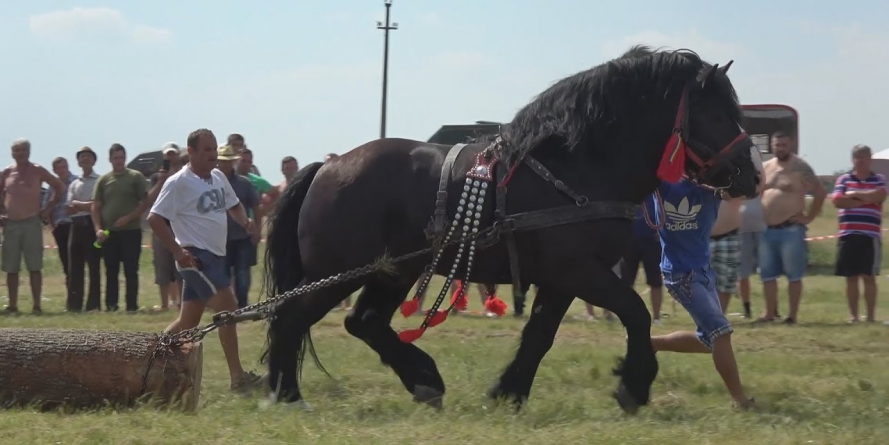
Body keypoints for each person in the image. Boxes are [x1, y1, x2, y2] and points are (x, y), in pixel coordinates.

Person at [148, 128, 265, 392]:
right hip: (196, 258)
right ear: (191, 152)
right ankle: (238, 378)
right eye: (207, 150)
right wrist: (178, 252)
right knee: (228, 308)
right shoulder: (178, 182)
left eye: (214, 149)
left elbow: (233, 205)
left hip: (214, 256)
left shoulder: (218, 177)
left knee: (187, 323)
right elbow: (154, 219)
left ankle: (149, 361)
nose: (213, 155)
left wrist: (245, 221)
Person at [649, 178, 755, 409]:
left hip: (704, 272)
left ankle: (649, 345)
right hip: (680, 275)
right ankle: (740, 401)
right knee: (720, 332)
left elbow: (750, 188)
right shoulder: (662, 183)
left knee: (708, 341)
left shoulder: (711, 185)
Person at [759, 131, 827, 323]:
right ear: (772, 145)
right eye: (777, 145)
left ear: (791, 145)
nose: (780, 148)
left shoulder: (800, 167)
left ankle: (792, 316)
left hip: (791, 229)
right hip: (766, 229)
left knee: (794, 275)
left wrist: (809, 217)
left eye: (784, 145)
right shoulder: (766, 167)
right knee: (767, 274)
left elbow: (820, 192)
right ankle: (769, 313)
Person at [0, 138, 66, 313]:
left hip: (31, 223)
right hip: (11, 225)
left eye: (22, 150)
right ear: (12, 153)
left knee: (34, 267)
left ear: (28, 152)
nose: (20, 153)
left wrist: (47, 209)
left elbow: (59, 186)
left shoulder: (37, 170)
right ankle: (12, 305)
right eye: (16, 150)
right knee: (11, 268)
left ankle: (37, 305)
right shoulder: (6, 172)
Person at [91, 143, 150, 312]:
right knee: (111, 270)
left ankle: (132, 306)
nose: (119, 161)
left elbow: (145, 202)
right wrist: (98, 229)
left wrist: (129, 217)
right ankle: (111, 305)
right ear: (110, 159)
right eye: (115, 158)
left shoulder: (135, 177)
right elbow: (95, 206)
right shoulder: (104, 180)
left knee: (131, 270)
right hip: (110, 233)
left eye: (121, 157)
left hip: (131, 231)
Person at [831, 144, 886, 323]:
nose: (861, 160)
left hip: (870, 236)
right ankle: (854, 316)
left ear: (870, 159)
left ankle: (870, 317)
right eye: (857, 157)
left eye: (864, 157)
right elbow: (838, 201)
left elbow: (879, 196)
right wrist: (865, 200)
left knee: (869, 277)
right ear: (852, 160)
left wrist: (854, 195)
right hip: (848, 234)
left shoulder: (879, 179)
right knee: (851, 277)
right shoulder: (843, 180)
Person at [216, 145, 261, 309]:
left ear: (233, 162)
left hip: (243, 235)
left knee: (242, 272)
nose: (224, 164)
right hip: (220, 238)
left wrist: (257, 230)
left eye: (228, 161)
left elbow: (256, 207)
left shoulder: (244, 183)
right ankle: (226, 306)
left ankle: (242, 305)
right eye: (222, 161)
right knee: (223, 273)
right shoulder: (211, 182)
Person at [146, 143, 185, 310]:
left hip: (181, 227)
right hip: (161, 226)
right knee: (162, 267)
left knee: (182, 267)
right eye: (167, 155)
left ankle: (183, 303)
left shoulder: (185, 176)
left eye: (173, 154)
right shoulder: (156, 177)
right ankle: (164, 304)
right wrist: (162, 181)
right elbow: (149, 199)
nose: (171, 158)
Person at [66, 147, 102, 312]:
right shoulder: (74, 183)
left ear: (94, 160)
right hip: (75, 225)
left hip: (91, 225)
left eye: (88, 156)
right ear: (78, 161)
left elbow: (97, 205)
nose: (85, 159)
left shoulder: (99, 181)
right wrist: (86, 205)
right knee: (75, 266)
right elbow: (69, 207)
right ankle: (74, 305)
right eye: (82, 157)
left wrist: (81, 205)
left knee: (93, 265)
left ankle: (93, 305)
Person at [620, 207, 665, 323]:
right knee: (626, 283)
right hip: (629, 241)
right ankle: (627, 316)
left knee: (655, 282)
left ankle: (656, 318)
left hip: (652, 242)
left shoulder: (656, 192)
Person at [43, 157, 78, 291]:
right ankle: (71, 294)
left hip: (75, 225)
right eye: (59, 168)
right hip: (60, 227)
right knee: (65, 261)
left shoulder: (76, 181)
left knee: (77, 261)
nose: (62, 170)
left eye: (64, 167)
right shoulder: (51, 188)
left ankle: (78, 294)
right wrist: (53, 227)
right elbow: (46, 210)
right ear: (54, 171)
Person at [710, 198, 744, 314]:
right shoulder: (697, 180)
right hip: (700, 237)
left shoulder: (735, 180)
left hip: (730, 234)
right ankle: (706, 316)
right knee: (697, 280)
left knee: (727, 281)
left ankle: (719, 317)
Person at [737, 196, 766, 319]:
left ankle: (771, 310)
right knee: (742, 273)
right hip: (741, 231)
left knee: (767, 272)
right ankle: (747, 310)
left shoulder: (762, 178)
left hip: (763, 229)